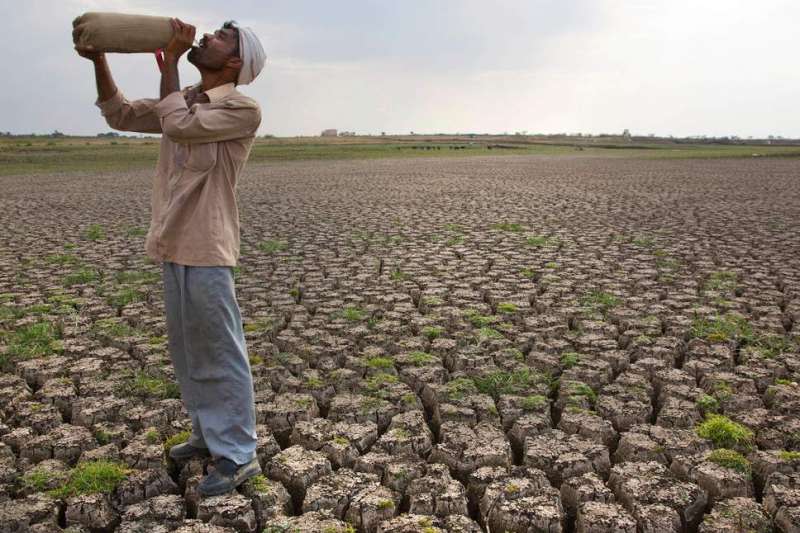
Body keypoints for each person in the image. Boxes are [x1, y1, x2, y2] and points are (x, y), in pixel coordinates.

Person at [74, 17, 266, 496]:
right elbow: (118, 114)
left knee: (221, 350)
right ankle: (207, 436)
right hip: (173, 242)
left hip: (207, 244)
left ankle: (239, 455)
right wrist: (100, 58)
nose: (206, 37)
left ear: (236, 60)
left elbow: (178, 126)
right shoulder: (185, 100)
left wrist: (173, 62)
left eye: (220, 37)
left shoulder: (242, 108)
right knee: (188, 350)